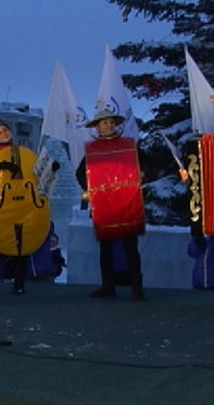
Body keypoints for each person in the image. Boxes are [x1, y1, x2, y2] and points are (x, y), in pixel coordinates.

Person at [0, 107, 52, 295]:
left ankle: (19, 282)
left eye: (6, 130)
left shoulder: (25, 152)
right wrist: (3, 164)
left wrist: (50, 167)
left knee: (24, 244)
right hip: (2, 205)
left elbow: (42, 172)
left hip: (25, 203)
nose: (4, 134)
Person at [75, 109, 145, 300]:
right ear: (97, 127)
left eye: (111, 122)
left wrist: (140, 176)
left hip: (126, 202)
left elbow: (143, 166)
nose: (109, 125)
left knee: (130, 246)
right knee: (105, 247)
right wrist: (90, 188)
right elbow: (81, 173)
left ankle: (137, 287)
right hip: (104, 204)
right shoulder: (92, 150)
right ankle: (108, 286)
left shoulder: (129, 146)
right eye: (105, 123)